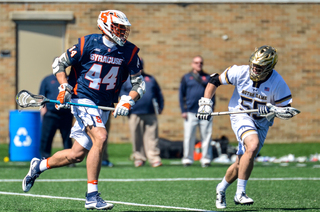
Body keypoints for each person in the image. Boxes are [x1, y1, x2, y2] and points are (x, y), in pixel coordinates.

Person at [22, 10, 146, 210]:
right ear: (105, 26)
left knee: (76, 155)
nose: (123, 33)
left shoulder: (129, 52)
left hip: (103, 104)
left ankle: (39, 166)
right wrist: (64, 86)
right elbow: (59, 63)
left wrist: (128, 101)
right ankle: (92, 195)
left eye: (124, 29)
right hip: (83, 99)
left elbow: (139, 84)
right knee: (101, 137)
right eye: (119, 28)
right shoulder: (87, 43)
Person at [196, 46, 294, 209]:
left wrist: (271, 110)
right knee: (253, 145)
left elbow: (288, 110)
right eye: (254, 64)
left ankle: (221, 188)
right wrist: (206, 103)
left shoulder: (277, 82)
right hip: (240, 114)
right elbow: (215, 80)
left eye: (260, 67)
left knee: (241, 162)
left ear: (269, 67)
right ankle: (240, 193)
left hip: (261, 123)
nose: (255, 69)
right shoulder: (240, 71)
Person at [120, 58, 164, 168]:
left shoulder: (150, 78)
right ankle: (139, 158)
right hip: (134, 113)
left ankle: (154, 158)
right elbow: (122, 94)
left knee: (152, 136)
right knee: (136, 136)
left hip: (150, 112)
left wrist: (160, 106)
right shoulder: (127, 79)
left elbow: (158, 94)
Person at [179, 56, 215, 167]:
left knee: (206, 136)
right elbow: (181, 95)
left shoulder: (208, 77)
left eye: (200, 62)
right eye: (196, 62)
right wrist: (183, 110)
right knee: (189, 136)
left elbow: (213, 95)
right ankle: (188, 158)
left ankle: (205, 159)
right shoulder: (186, 77)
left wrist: (211, 109)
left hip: (205, 112)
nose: (198, 64)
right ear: (192, 64)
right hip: (190, 112)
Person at [39, 74, 73, 159]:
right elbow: (41, 96)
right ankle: (44, 157)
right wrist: (43, 110)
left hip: (66, 114)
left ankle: (69, 159)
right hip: (51, 114)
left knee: (67, 137)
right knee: (46, 137)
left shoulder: (70, 79)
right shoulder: (47, 79)